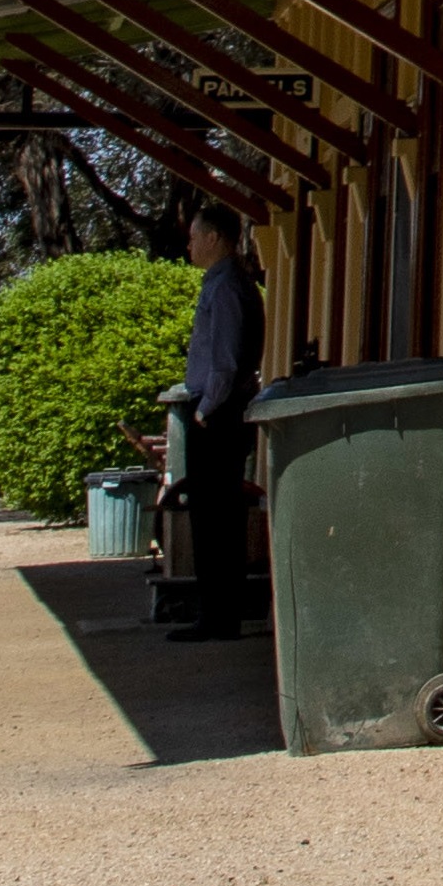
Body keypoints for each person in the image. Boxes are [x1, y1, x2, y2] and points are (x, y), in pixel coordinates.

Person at [172, 206, 264, 641]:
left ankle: (218, 615)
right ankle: (215, 611)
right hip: (220, 409)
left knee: (214, 516)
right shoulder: (227, 283)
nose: (189, 244)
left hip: (220, 413)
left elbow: (225, 361)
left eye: (194, 236)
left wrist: (206, 409)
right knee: (211, 513)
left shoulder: (227, 287)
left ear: (213, 238)